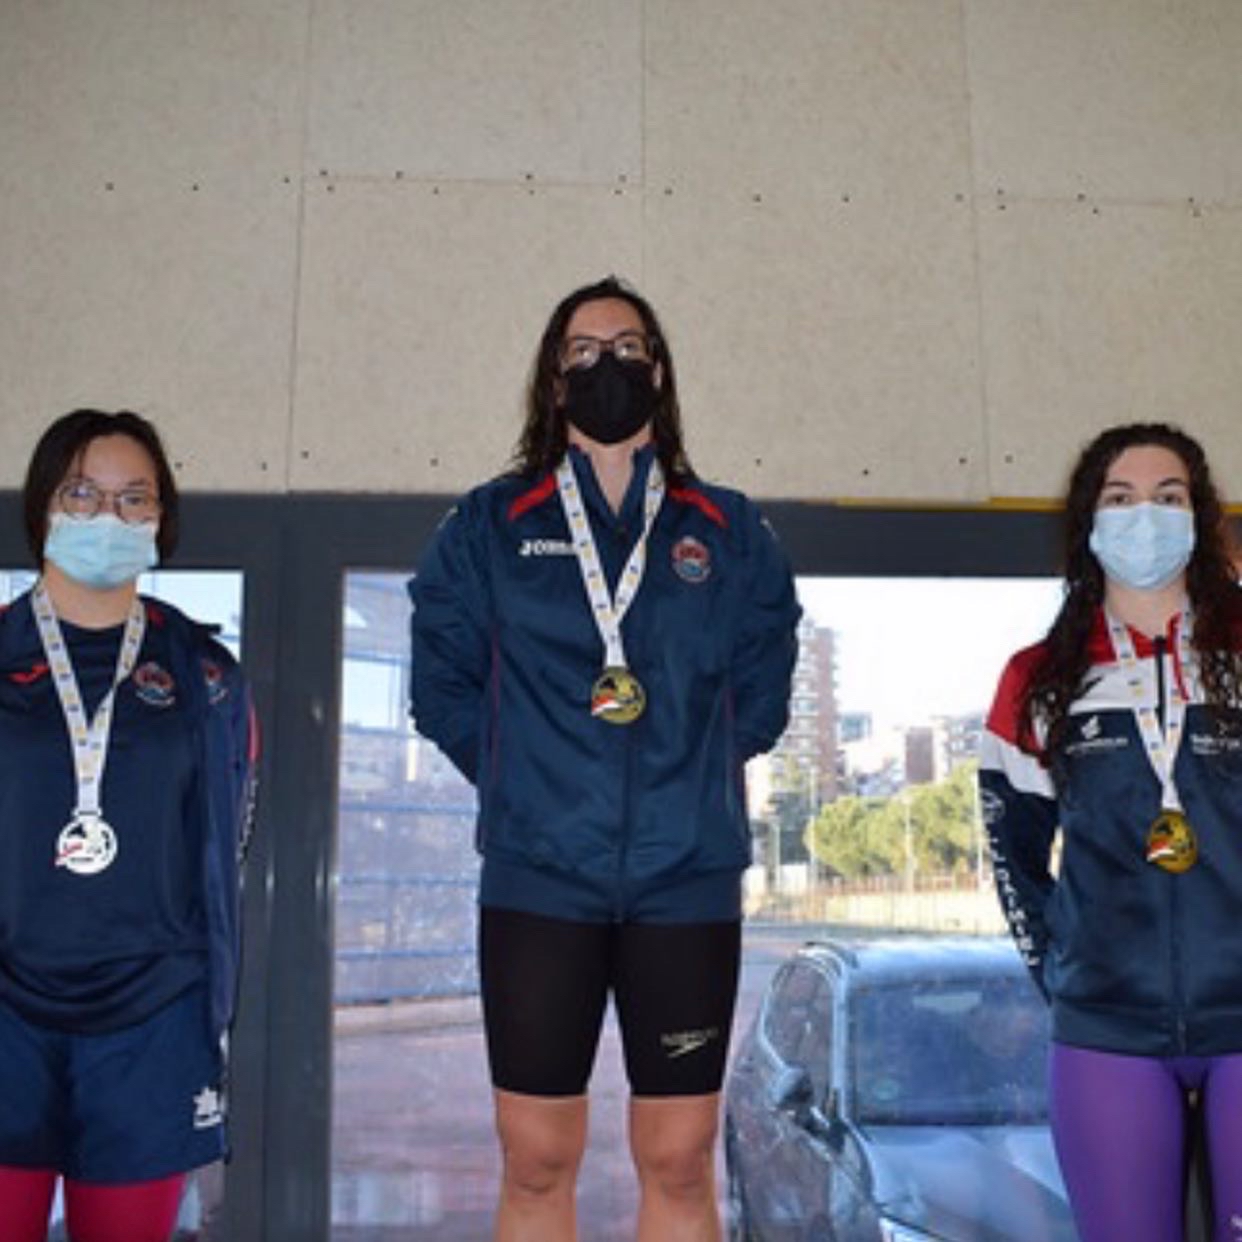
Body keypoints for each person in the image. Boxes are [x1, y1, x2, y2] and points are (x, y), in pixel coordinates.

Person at [408, 276, 800, 1241]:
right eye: (581, 352)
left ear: (659, 373)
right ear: (552, 384)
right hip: (540, 881)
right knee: (537, 1161)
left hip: (687, 882)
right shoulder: (488, 525)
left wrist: (686, 771)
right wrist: (528, 777)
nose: (606, 365)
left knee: (678, 1159)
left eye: (627, 347)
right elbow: (443, 689)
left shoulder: (730, 529)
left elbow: (764, 689)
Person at [979, 422, 1242, 1242]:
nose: (1145, 517)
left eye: (1168, 498)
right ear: (1089, 523)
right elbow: (1014, 856)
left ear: (1199, 517)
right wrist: (1067, 974)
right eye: (1121, 499)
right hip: (1106, 1034)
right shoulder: (1038, 679)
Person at [0, 410, 257, 1242]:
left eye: (132, 498)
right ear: (43, 506)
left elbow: (225, 843)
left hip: (154, 1020)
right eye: (83, 493)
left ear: (160, 520)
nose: (106, 516)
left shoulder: (207, 676)